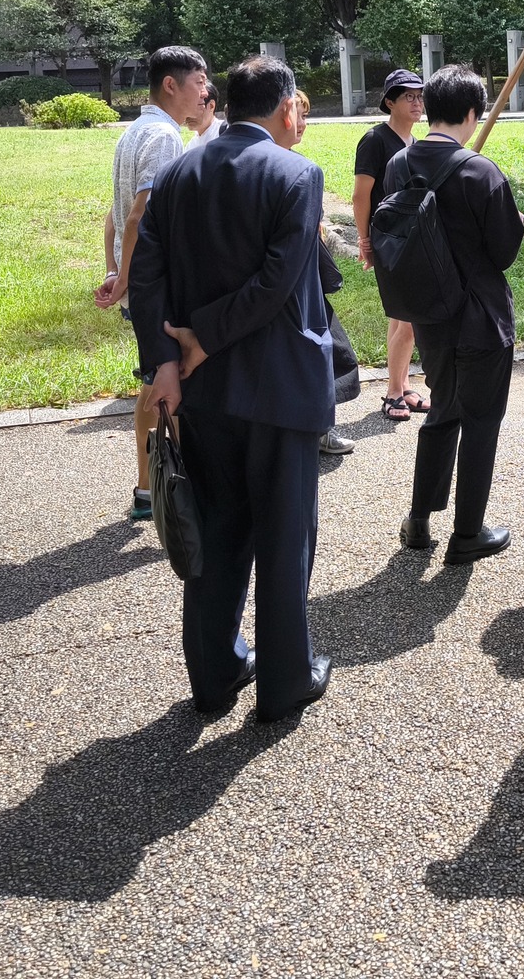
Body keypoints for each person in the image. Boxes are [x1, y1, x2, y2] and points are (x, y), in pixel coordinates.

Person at [127, 55, 334, 722]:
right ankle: (284, 682)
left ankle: (214, 678)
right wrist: (206, 336)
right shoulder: (296, 173)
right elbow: (278, 282)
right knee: (284, 536)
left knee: (216, 533)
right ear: (283, 107)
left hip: (201, 389)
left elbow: (146, 272)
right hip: (277, 387)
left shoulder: (180, 171)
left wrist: (165, 358)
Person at [388, 65, 524, 563]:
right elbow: (505, 250)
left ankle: (420, 519)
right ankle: (468, 532)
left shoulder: (399, 165)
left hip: (429, 314)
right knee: (482, 420)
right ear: (472, 113)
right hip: (482, 317)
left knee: (443, 409)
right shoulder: (480, 171)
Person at [94, 46, 208, 521]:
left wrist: (114, 268)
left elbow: (113, 214)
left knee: (151, 382)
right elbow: (140, 214)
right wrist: (125, 278)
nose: (205, 91)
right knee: (171, 382)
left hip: (137, 277)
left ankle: (148, 487)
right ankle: (169, 492)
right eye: (199, 81)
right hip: (153, 282)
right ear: (170, 85)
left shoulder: (135, 131)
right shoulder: (163, 136)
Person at [354, 68, 428, 422]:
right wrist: (364, 239)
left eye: (419, 96)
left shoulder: (415, 142)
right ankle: (392, 393)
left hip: (412, 241)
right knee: (406, 318)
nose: (417, 103)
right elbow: (360, 195)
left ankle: (403, 384)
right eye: (408, 97)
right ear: (389, 102)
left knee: (405, 317)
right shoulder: (375, 140)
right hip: (388, 242)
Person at [292, 89, 356, 458]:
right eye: (297, 114)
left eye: (306, 115)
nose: (302, 124)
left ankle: (319, 428)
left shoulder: (301, 166)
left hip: (309, 282)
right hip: (295, 287)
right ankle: (317, 430)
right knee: (325, 352)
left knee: (330, 352)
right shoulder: (292, 170)